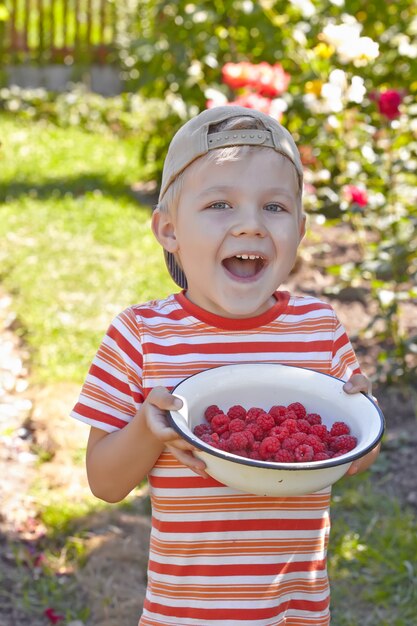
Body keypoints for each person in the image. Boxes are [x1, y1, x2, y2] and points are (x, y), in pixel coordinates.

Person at [71, 105, 380, 625]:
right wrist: (150, 431)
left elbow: (351, 458)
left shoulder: (318, 329)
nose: (250, 226)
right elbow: (104, 482)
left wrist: (359, 418)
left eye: (275, 208)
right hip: (187, 614)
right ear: (168, 230)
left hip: (298, 612)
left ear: (301, 230)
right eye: (220, 204)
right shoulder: (142, 337)